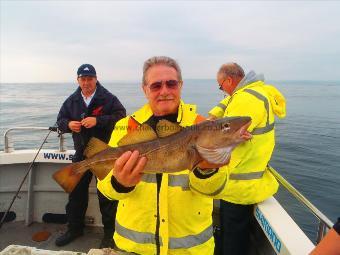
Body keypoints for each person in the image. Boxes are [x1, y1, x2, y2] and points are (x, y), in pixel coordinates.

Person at [97, 56, 238, 255]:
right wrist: (119, 183)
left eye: (171, 83)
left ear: (180, 85)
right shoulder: (125, 126)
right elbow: (105, 188)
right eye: (156, 86)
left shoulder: (203, 126)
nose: (164, 91)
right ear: (144, 89)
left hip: (189, 250)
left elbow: (218, 190)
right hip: (134, 248)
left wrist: (207, 170)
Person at [208, 63, 286, 255]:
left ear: (229, 80)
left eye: (221, 86)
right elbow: (228, 104)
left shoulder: (246, 99)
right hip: (246, 181)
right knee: (232, 233)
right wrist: (214, 114)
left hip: (238, 184)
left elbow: (223, 135)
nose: (222, 91)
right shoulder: (255, 92)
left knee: (233, 242)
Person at [55, 64, 126, 248]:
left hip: (105, 154)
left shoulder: (108, 98)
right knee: (76, 195)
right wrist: (68, 124)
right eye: (83, 79)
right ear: (78, 80)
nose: (86, 82)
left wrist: (98, 120)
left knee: (107, 196)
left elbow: (122, 117)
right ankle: (74, 229)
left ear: (96, 79)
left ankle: (110, 235)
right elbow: (60, 120)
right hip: (81, 154)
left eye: (90, 79)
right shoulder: (71, 101)